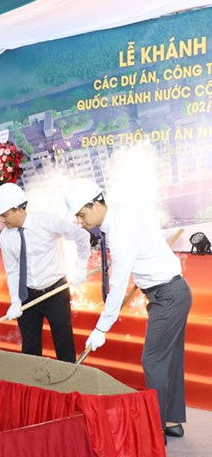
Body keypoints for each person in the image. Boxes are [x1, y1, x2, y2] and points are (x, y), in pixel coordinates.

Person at [65, 178, 192, 439]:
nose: (80, 221)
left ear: (96, 204)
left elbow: (119, 284)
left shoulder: (120, 230)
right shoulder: (118, 216)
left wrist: (101, 327)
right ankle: (170, 420)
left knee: (153, 360)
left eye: (81, 214)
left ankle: (154, 429)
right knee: (168, 359)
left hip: (168, 295)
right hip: (169, 292)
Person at [0, 183, 91, 362]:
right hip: (27, 295)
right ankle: (34, 386)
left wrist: (81, 266)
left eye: (5, 215)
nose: (2, 220)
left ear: (19, 209)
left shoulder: (47, 221)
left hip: (55, 291)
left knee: (63, 341)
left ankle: (68, 381)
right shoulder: (6, 237)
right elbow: (13, 271)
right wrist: (15, 300)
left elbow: (81, 236)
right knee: (30, 347)